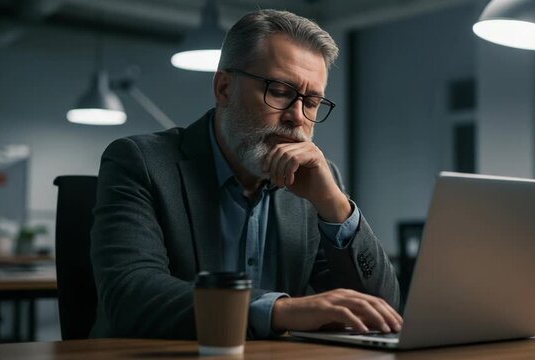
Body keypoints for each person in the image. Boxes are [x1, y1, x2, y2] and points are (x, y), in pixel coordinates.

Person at [89, 9, 401, 340]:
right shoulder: (141, 162)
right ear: (224, 88)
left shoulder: (317, 183)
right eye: (280, 91)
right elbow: (130, 295)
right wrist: (278, 310)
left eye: (311, 102)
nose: (297, 117)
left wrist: (335, 205)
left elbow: (383, 311)